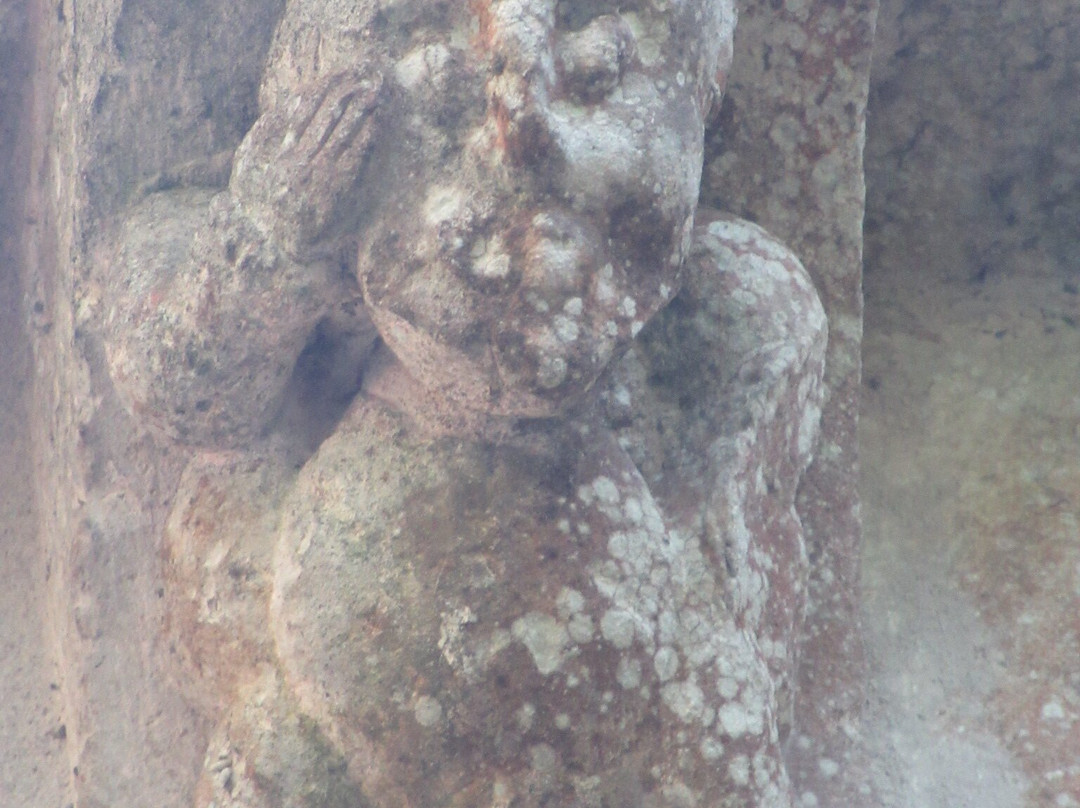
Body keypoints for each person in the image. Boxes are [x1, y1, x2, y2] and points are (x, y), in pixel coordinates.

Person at [102, 2, 824, 805]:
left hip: (635, 704)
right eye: (447, 88)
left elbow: (744, 487)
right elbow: (182, 388)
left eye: (598, 68)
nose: (522, 130)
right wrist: (263, 242)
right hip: (317, 703)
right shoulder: (300, 274)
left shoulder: (734, 309)